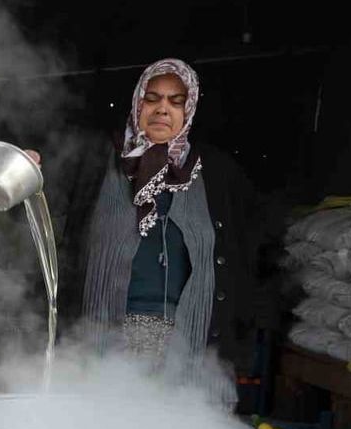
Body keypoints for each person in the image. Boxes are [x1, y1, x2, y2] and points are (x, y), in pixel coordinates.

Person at [76, 59, 258, 375]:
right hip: (102, 339)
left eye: (176, 102)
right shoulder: (95, 162)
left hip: (186, 344)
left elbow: (245, 251)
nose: (163, 109)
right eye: (152, 98)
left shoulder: (215, 172)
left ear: (189, 110)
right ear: (137, 103)